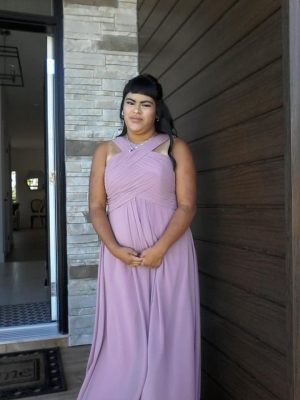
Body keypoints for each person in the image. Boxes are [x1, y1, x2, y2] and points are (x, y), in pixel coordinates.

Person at [77, 74, 201, 400]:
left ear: (156, 110)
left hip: (169, 254)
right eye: (130, 102)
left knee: (169, 331)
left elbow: (187, 206)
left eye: (145, 105)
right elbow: (96, 206)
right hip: (121, 259)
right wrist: (115, 249)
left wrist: (160, 249)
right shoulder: (105, 151)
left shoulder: (176, 147)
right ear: (122, 108)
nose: (136, 110)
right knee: (125, 335)